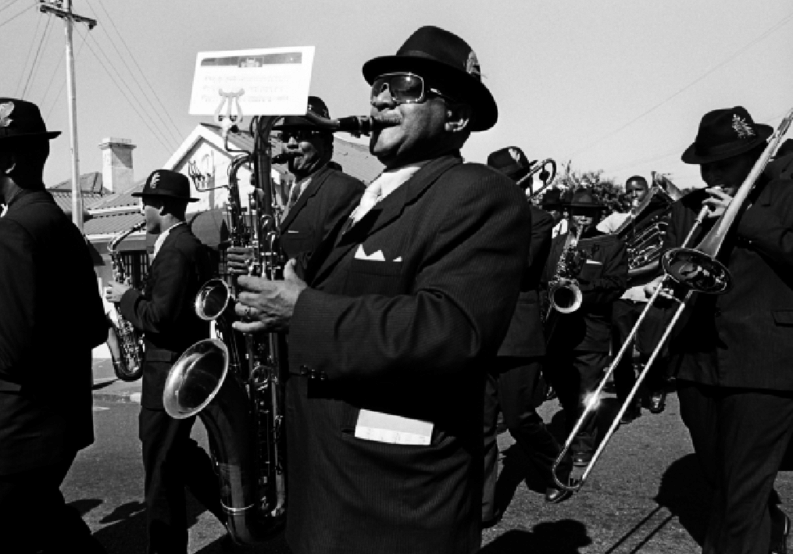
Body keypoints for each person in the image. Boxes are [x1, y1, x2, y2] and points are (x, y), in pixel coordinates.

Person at [229, 25, 531, 554]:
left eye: (407, 87)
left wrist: (304, 312)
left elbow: (452, 330)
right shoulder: (367, 197)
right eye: (378, 87)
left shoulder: (481, 194)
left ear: (456, 117)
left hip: (390, 497)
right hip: (322, 479)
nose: (382, 97)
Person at [0, 97, 107, 554]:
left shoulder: (9, 231)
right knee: (47, 529)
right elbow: (93, 327)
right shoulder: (59, 224)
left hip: (13, 435)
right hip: (57, 426)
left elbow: (6, 353)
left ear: (9, 162)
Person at [648, 106, 793, 554]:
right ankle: (771, 526)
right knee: (720, 475)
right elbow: (675, 264)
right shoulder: (689, 207)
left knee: (741, 492)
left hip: (765, 360)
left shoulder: (786, 197)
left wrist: (743, 218)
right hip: (698, 357)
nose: (710, 176)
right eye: (705, 166)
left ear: (754, 159)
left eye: (721, 165)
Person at [104, 169, 222, 554]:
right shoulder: (183, 246)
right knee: (178, 457)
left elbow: (159, 318)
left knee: (160, 469)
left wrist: (125, 297)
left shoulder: (176, 249)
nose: (143, 210)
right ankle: (233, 510)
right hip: (175, 366)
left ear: (164, 207)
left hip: (168, 369)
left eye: (147, 203)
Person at [481, 146, 572, 526]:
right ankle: (482, 507)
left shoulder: (538, 219)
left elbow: (516, 267)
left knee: (518, 417)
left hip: (517, 334)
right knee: (480, 423)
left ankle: (556, 468)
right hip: (480, 330)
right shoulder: (476, 216)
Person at [543, 190, 627, 467]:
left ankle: (582, 445)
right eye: (577, 211)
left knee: (586, 392)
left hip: (592, 331)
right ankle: (573, 430)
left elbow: (616, 285)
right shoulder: (554, 244)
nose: (582, 217)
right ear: (567, 212)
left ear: (597, 215)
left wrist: (583, 290)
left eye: (588, 212)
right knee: (567, 393)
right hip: (558, 331)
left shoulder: (611, 244)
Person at [597, 176, 669, 423]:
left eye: (639, 190)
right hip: (622, 295)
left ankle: (656, 388)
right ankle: (627, 401)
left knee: (651, 348)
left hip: (650, 293)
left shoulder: (661, 220)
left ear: (649, 192)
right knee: (622, 353)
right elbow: (598, 246)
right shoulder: (614, 220)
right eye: (629, 191)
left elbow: (664, 252)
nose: (634, 194)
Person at [275, 95, 366, 259]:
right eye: (286, 135)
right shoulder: (291, 191)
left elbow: (332, 263)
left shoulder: (345, 190)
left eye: (301, 134)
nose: (290, 143)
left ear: (326, 143)